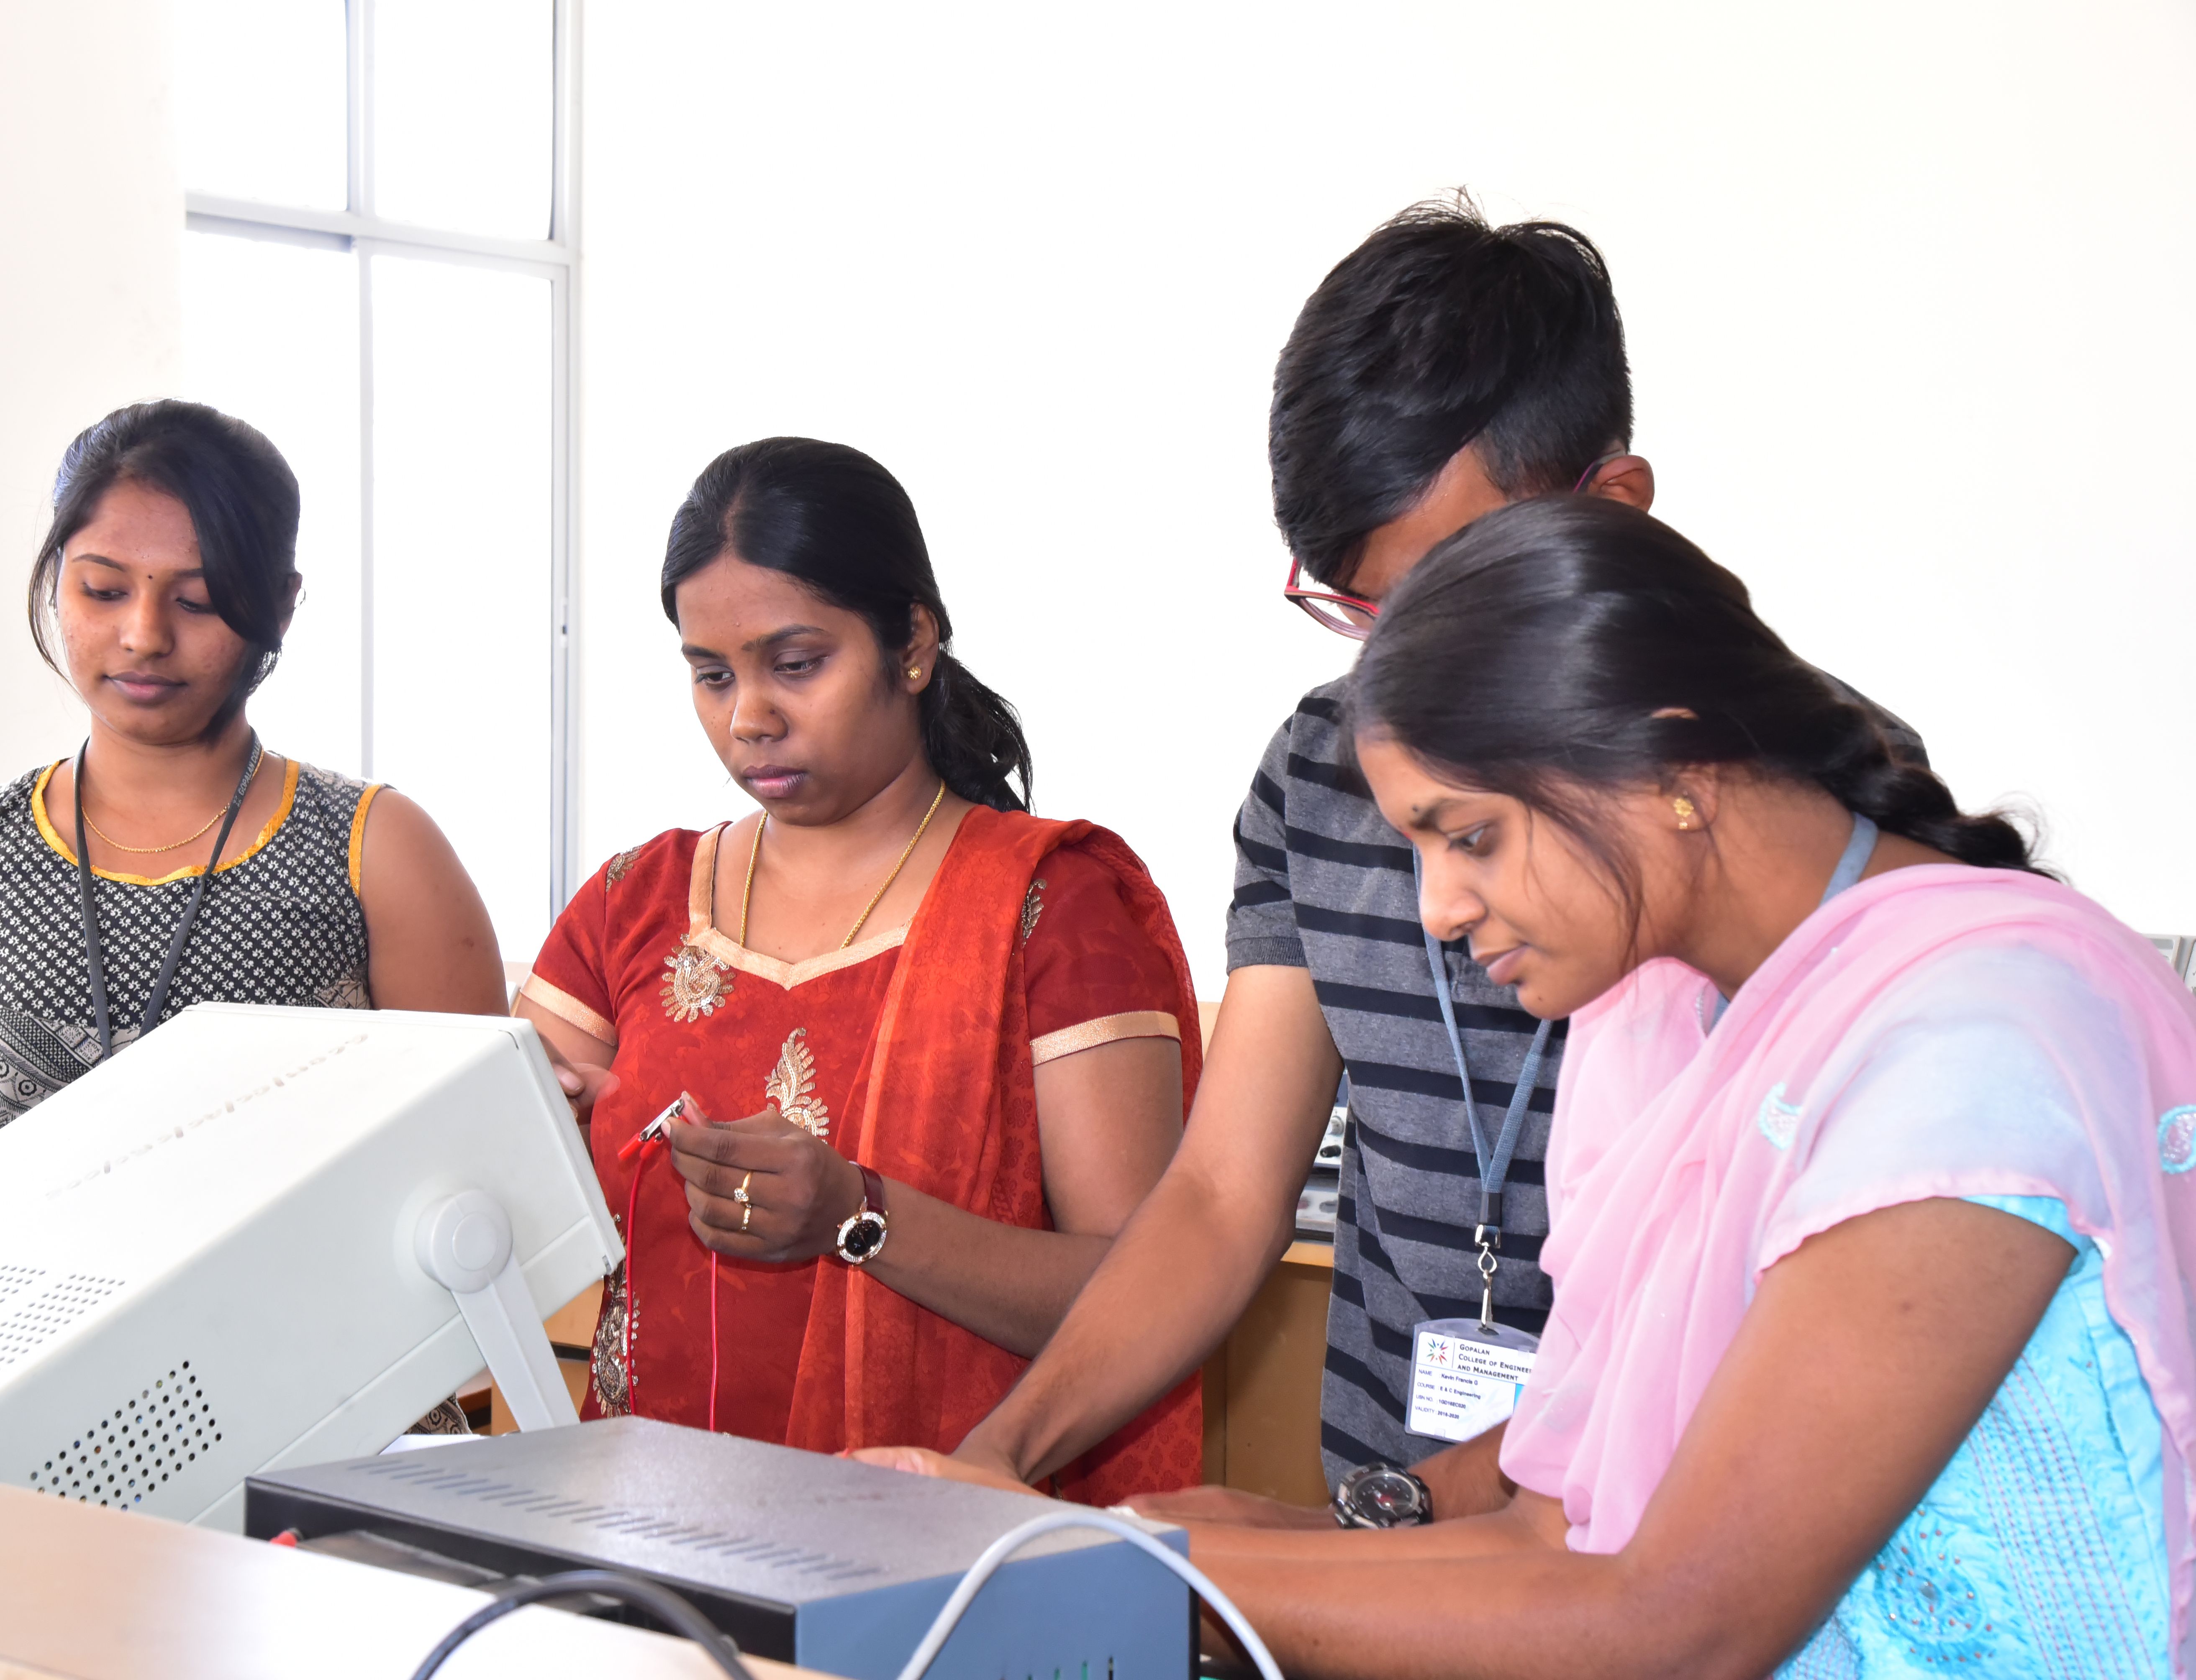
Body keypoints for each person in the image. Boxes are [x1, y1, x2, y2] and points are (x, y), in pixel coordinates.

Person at [905, 495, 2196, 1677]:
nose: (1441, 909)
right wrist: (1253, 1546)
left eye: (1471, 837)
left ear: (1672, 767)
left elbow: (1681, 1620)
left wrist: (1138, 1568)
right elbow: (1552, 1532)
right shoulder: (1659, 1010)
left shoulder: (1978, 1035)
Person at [921, 198, 1922, 1526]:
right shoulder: (1322, 770)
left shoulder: (1771, 803)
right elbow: (1224, 1194)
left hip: (1669, 1540)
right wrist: (1007, 1457)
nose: (1395, 662)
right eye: (1359, 609)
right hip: (1399, 1518)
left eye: (1446, 587)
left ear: (1610, 510)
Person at [513, 437, 1204, 1500]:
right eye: (711, 675)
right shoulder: (633, 901)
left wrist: (857, 1214)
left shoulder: (1051, 906)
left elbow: (1145, 1291)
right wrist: (544, 1141)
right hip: (642, 1525)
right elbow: (496, 1196)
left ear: (912, 643)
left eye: (796, 664)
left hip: (927, 1533)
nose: (748, 716)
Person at [0, 400, 507, 1239]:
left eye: (200, 600)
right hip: (7, 1343)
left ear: (281, 606)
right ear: (58, 575)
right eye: (102, 589)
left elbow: (474, 1182)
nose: (143, 635)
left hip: (300, 1361)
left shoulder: (378, 852)